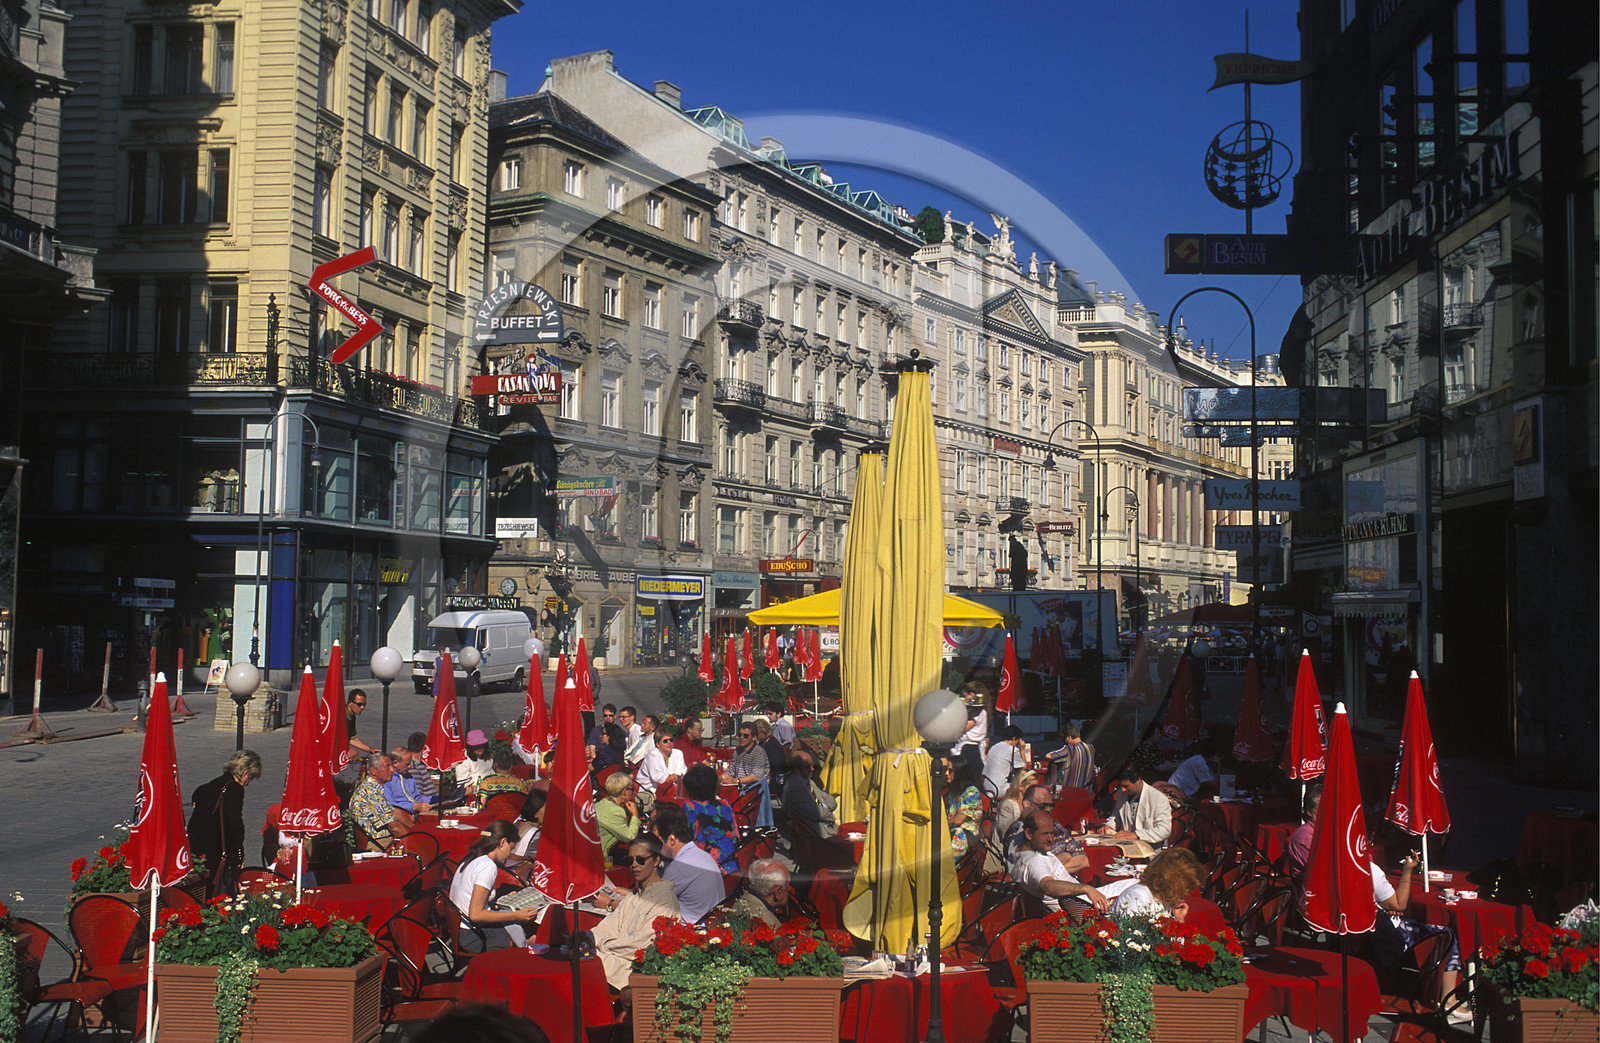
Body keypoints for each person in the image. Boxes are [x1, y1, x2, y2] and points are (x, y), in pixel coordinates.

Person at [1370, 848, 1466, 1018]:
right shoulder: (1369, 869)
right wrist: (1407, 870)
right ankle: (1448, 1001)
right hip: (1383, 938)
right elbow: (1399, 905)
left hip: (1361, 934)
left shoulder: (1332, 868)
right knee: (1445, 933)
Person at [589, 835, 681, 990]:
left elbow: (641, 946)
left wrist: (601, 944)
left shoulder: (665, 902)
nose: (634, 865)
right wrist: (587, 938)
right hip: (614, 960)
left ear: (656, 861)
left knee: (584, 963)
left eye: (640, 860)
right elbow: (608, 926)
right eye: (629, 860)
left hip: (635, 973)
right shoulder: (633, 896)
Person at [448, 820, 540, 951]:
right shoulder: (487, 866)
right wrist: (517, 915)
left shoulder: (471, 858)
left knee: (518, 928)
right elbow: (476, 915)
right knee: (534, 937)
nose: (509, 855)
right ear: (502, 842)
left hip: (459, 930)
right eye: (511, 848)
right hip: (473, 936)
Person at [187, 749, 262, 895]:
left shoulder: (215, 783)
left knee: (199, 888)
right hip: (215, 848)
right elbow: (235, 824)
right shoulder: (234, 789)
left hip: (196, 844)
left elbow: (197, 793)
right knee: (217, 890)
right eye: (250, 778)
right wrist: (239, 853)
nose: (247, 783)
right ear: (245, 772)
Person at [1012, 809, 1109, 913]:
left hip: (1079, 900)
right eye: (1044, 834)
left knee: (1128, 884)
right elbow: (1048, 886)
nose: (1050, 839)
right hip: (1080, 905)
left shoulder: (1026, 856)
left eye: (1052, 833)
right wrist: (1086, 888)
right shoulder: (1034, 862)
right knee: (1129, 888)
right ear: (1028, 834)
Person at [653, 803, 724, 924]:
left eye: (657, 841)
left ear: (671, 840)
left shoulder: (681, 864)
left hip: (693, 930)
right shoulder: (703, 856)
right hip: (710, 923)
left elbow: (653, 901)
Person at [1111, 846, 1204, 920]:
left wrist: (1179, 919)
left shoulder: (1164, 899)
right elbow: (1129, 937)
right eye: (1185, 888)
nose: (1186, 893)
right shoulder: (1137, 896)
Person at [680, 763, 738, 873]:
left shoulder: (690, 807)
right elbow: (735, 836)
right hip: (731, 867)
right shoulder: (725, 804)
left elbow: (685, 840)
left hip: (706, 869)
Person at [1101, 766, 1173, 849]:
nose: (1123, 789)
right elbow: (1117, 815)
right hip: (1125, 846)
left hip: (1150, 850)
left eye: (1126, 786)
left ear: (1138, 781)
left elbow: (1164, 830)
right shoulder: (1121, 793)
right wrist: (1110, 826)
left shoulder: (1158, 798)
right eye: (1120, 786)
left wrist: (1136, 835)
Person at [349, 753, 411, 849]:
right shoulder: (369, 793)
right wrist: (415, 842)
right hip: (379, 845)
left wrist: (415, 830)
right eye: (387, 767)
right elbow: (394, 827)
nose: (392, 770)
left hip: (387, 841)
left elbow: (395, 813)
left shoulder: (374, 789)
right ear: (373, 771)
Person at [721, 722, 774, 829]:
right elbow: (730, 771)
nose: (741, 738)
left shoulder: (758, 752)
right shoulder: (738, 751)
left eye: (745, 736)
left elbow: (756, 776)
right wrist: (715, 779)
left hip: (753, 792)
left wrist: (737, 781)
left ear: (754, 738)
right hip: (741, 790)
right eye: (739, 735)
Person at [781, 749, 838, 840]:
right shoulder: (794, 788)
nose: (812, 769)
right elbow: (819, 814)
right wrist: (829, 813)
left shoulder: (809, 782)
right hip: (817, 837)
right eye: (808, 766)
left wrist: (822, 806)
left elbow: (832, 800)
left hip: (826, 832)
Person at [939, 755, 983, 859]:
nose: (946, 774)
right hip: (950, 833)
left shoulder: (971, 792)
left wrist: (938, 826)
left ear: (960, 773)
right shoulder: (951, 793)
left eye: (950, 771)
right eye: (945, 770)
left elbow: (959, 820)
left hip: (964, 837)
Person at [732, 859, 796, 927]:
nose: (789, 888)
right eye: (787, 884)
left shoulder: (738, 904)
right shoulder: (770, 925)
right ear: (778, 891)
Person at [596, 772, 641, 858]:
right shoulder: (615, 811)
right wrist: (635, 815)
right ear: (624, 791)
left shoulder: (601, 804)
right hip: (600, 858)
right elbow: (629, 836)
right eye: (631, 789)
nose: (632, 793)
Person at [992, 769, 1042, 842]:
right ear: (1021, 786)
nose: (1035, 790)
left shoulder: (1032, 804)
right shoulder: (1008, 805)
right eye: (1032, 787)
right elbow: (1004, 834)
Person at [1285, 781, 1321, 882]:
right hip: (1311, 890)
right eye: (1321, 808)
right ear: (1309, 811)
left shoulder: (1325, 832)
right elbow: (1322, 869)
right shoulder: (1305, 836)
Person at [1044, 722, 1096, 791]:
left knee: (1052, 787)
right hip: (1086, 792)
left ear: (1069, 737)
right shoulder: (1091, 748)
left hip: (1070, 791)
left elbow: (1048, 756)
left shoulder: (1069, 749)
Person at [637, 727, 687, 796]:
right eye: (665, 741)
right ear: (658, 744)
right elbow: (657, 777)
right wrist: (675, 777)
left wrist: (675, 776)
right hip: (649, 791)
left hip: (671, 789)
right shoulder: (652, 755)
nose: (669, 743)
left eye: (671, 740)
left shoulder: (678, 753)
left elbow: (683, 771)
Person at [384, 746, 434, 815]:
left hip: (416, 814)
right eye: (407, 764)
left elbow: (417, 798)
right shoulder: (387, 780)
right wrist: (413, 806)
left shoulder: (409, 777)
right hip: (401, 816)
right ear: (395, 763)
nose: (410, 766)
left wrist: (435, 799)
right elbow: (390, 805)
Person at [982, 725, 1028, 798]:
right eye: (1018, 740)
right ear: (1014, 738)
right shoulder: (1012, 750)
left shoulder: (994, 747)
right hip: (999, 789)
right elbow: (1024, 767)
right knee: (1025, 785)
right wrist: (1022, 749)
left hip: (986, 788)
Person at [953, 685, 989, 780]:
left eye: (965, 696)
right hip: (966, 746)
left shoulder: (978, 711)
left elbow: (963, 727)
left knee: (970, 777)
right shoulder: (972, 709)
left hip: (970, 748)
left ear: (971, 695)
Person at [508, 788, 547, 873]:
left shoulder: (518, 823)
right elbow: (546, 857)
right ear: (536, 812)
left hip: (504, 869)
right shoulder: (535, 835)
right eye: (547, 808)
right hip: (516, 874)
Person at [587, 705, 626, 772]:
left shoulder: (620, 732)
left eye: (610, 715)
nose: (608, 718)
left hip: (602, 767)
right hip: (599, 760)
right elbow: (592, 749)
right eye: (605, 715)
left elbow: (590, 768)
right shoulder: (596, 730)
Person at [454, 730, 495, 795]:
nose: (480, 748)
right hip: (472, 795)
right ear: (470, 747)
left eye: (482, 745)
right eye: (476, 746)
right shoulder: (463, 760)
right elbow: (462, 787)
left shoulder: (486, 758)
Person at [403, 731, 440, 802]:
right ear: (424, 748)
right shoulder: (413, 767)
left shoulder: (417, 765)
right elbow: (417, 795)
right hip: (421, 806)